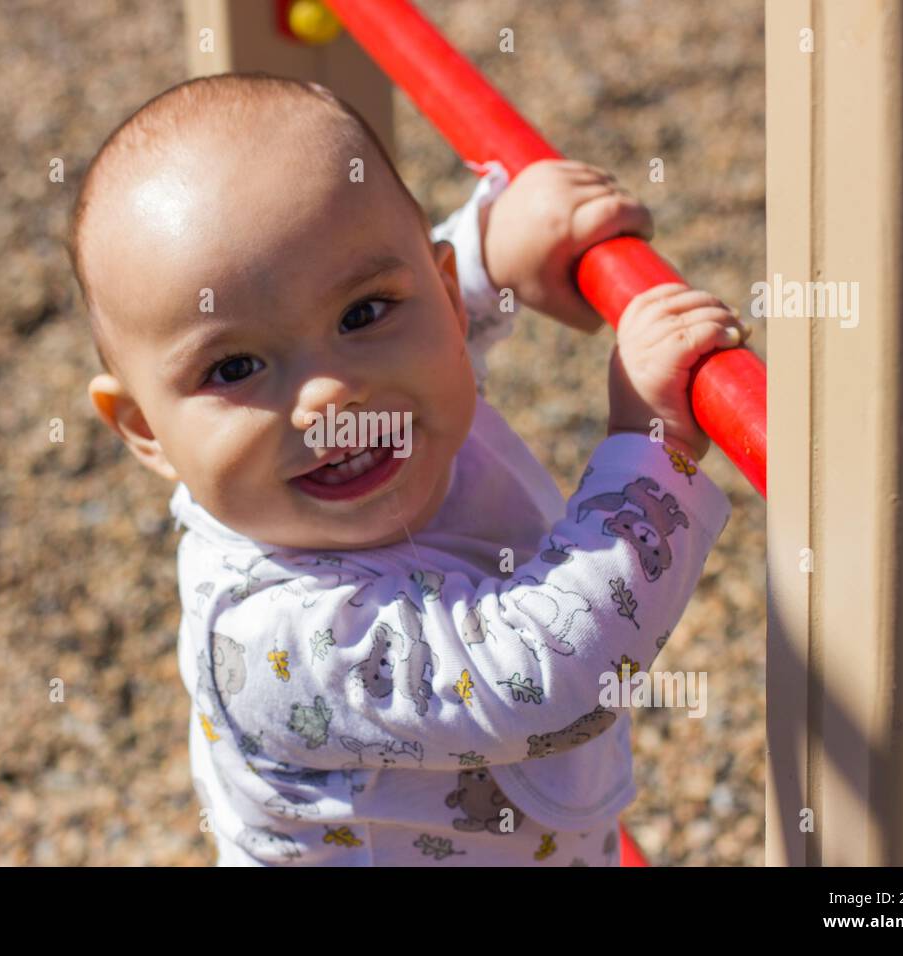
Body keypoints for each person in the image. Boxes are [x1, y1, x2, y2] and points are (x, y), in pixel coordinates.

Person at [68, 73, 746, 865]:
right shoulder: (278, 641)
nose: (329, 393)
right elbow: (538, 678)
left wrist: (493, 256)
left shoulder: (384, 420)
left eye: (361, 314)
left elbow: (411, 314)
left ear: (443, 298)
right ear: (146, 429)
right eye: (235, 367)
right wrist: (652, 444)